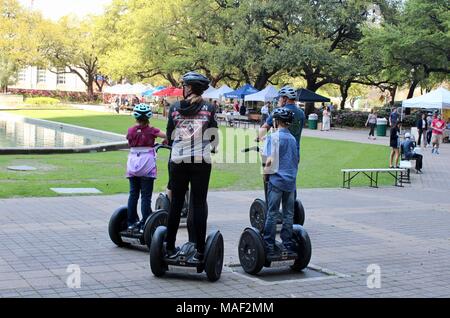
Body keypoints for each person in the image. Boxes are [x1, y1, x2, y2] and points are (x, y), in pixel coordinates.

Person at [165, 71, 219, 263]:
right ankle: (200, 250)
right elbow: (214, 137)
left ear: (188, 88)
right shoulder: (210, 108)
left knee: (176, 204)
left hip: (178, 161)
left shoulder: (174, 108)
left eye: (185, 85)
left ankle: (169, 247)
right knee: (198, 204)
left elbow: (169, 134)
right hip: (201, 162)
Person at [262, 108, 299, 257]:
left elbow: (269, 160)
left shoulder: (273, 137)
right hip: (290, 181)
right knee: (288, 215)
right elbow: (295, 160)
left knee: (272, 213)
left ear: (276, 121)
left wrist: (265, 175)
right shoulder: (293, 139)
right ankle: (287, 243)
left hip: (276, 181)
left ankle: (268, 244)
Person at [125, 104, 167, 233]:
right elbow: (166, 135)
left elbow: (129, 141)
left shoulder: (131, 130)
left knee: (133, 194)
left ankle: (131, 222)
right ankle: (145, 222)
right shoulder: (152, 130)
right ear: (149, 116)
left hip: (133, 164)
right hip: (147, 165)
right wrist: (164, 142)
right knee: (146, 196)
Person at [259, 86, 305, 156]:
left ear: (285, 99)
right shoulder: (301, 113)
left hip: (279, 151)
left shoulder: (279, 112)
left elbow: (264, 128)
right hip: (294, 151)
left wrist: (258, 137)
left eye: (280, 97)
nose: (278, 100)